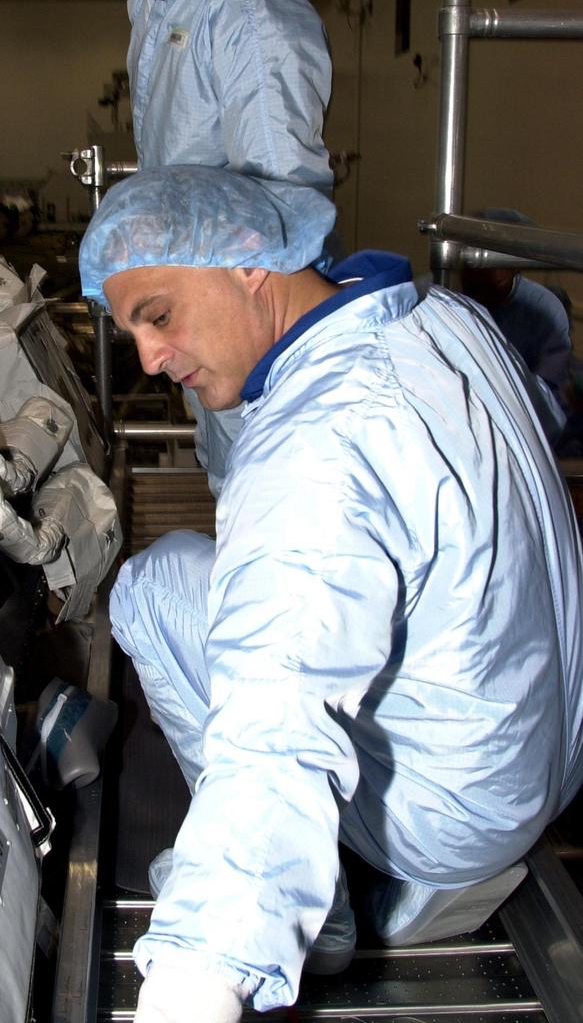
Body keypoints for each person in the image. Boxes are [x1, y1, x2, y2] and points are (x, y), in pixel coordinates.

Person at [78, 163, 583, 1023]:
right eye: (130, 334)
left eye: (156, 316)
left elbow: (271, 725)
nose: (151, 361)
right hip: (544, 760)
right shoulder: (443, 317)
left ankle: (323, 921)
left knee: (153, 584)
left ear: (247, 262)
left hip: (444, 823)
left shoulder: (313, 446)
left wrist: (199, 977)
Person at [69, 0, 334, 493]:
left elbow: (284, 199)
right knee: (234, 481)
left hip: (249, 318)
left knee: (276, 494)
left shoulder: (243, 15)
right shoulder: (158, 4)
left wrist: (254, 333)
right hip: (203, 306)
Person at [460, 208, 572, 435]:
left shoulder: (543, 308)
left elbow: (549, 401)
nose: (485, 275)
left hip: (521, 425)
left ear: (515, 265)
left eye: (494, 263)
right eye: (474, 266)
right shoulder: (440, 299)